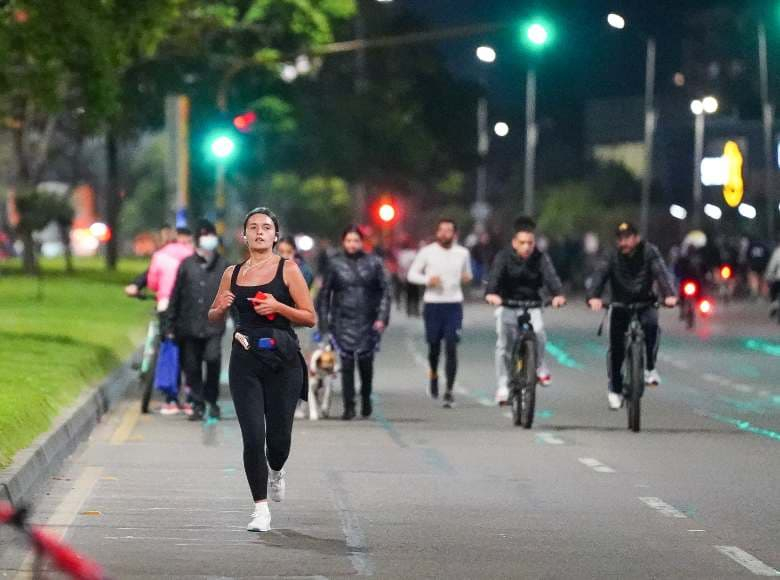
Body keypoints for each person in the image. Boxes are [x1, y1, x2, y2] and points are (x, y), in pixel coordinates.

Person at [208, 207, 315, 533]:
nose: (259, 232)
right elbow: (213, 314)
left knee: (277, 440)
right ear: (244, 235)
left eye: (266, 227)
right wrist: (220, 308)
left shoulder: (288, 269)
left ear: (275, 235)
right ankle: (260, 510)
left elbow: (309, 316)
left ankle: (277, 470)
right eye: (253, 227)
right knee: (253, 437)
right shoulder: (232, 273)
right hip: (245, 361)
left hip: (283, 362)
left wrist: (278, 306)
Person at [587, 222, 678, 410]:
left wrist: (669, 294)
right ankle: (615, 388)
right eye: (620, 238)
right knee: (617, 348)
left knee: (652, 326)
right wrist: (593, 297)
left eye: (628, 237)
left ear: (637, 238)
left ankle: (650, 368)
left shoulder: (649, 252)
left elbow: (660, 273)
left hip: (645, 302)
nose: (624, 242)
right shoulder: (611, 255)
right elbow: (600, 275)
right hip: (620, 304)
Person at [485, 216, 566, 405]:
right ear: (514, 243)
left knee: (539, 333)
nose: (527, 247)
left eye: (530, 243)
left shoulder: (540, 257)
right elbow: (494, 278)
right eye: (522, 243)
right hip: (508, 304)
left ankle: (538, 367)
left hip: (533, 304)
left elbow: (551, 277)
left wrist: (558, 294)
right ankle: (503, 385)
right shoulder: (503, 257)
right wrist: (492, 294)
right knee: (504, 345)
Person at [317, 225, 391, 420]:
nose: (352, 244)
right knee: (346, 365)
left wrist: (382, 318)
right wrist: (324, 323)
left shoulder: (374, 263)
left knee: (366, 364)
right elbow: (324, 296)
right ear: (343, 242)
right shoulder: (334, 265)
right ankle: (349, 406)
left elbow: (385, 291)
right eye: (349, 241)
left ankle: (366, 397)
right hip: (342, 321)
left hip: (368, 320)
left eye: (356, 241)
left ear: (362, 242)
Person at [165, 220, 229, 422]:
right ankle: (198, 402)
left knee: (212, 359)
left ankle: (212, 400)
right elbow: (176, 295)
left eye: (211, 235)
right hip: (188, 326)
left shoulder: (224, 266)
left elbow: (234, 296)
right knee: (191, 367)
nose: (208, 239)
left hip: (213, 326)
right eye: (205, 235)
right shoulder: (187, 265)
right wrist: (169, 324)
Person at [407, 219, 472, 408]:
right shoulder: (427, 252)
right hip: (433, 304)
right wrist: (427, 279)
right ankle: (434, 374)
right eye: (441, 230)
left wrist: (466, 278)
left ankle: (449, 390)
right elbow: (412, 274)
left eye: (449, 231)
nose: (445, 234)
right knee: (434, 346)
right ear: (437, 233)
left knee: (451, 345)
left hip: (453, 304)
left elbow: (468, 274)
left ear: (455, 234)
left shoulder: (462, 253)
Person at [144, 227, 194, 415]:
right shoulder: (191, 255)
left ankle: (171, 398)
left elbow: (152, 283)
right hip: (188, 307)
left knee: (169, 346)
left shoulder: (159, 256)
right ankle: (191, 397)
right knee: (190, 349)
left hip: (166, 304)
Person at [765, 243, 780, 316]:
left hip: (778, 279)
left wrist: (769, 275)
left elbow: (772, 265)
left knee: (773, 292)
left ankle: (774, 305)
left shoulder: (777, 251)